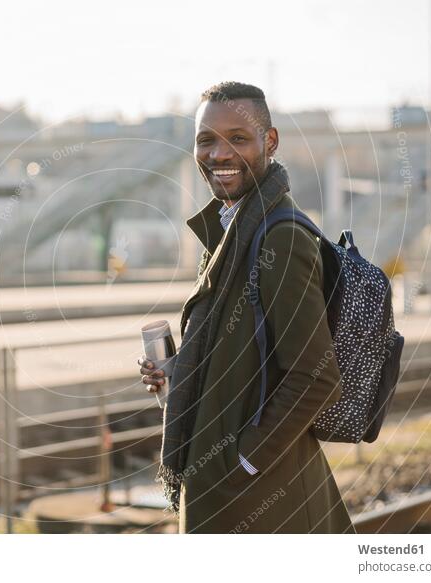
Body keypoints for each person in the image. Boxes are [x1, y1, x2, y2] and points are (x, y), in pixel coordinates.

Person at [137, 81, 355, 533]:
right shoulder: (232, 230)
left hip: (260, 499)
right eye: (206, 140)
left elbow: (317, 378)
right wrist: (182, 376)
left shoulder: (279, 236)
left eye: (238, 138)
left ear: (268, 142)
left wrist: (244, 464)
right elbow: (242, 351)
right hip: (225, 486)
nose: (219, 153)